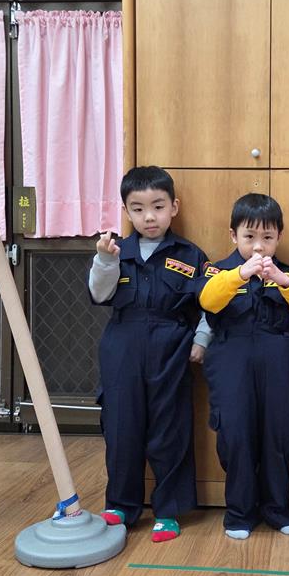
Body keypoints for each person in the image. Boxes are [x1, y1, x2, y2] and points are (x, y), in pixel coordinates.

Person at [88, 166, 210, 543]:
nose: (149, 217)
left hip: (172, 343)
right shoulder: (115, 251)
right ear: (126, 211)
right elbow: (100, 294)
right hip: (123, 343)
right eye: (138, 209)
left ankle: (168, 510)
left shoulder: (190, 254)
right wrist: (104, 260)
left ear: (174, 207)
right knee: (121, 424)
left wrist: (201, 339)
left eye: (158, 206)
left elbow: (210, 302)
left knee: (169, 427)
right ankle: (121, 504)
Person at [197, 193, 289, 540]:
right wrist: (240, 274)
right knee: (235, 434)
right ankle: (239, 512)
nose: (258, 246)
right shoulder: (218, 271)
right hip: (230, 358)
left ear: (279, 237)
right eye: (249, 237)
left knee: (277, 434)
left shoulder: (287, 273)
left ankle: (277, 509)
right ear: (233, 235)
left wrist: (281, 279)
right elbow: (208, 300)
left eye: (267, 237)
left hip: (277, 357)